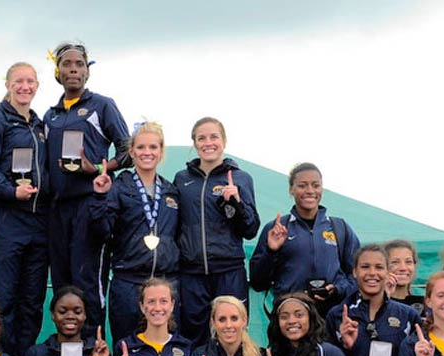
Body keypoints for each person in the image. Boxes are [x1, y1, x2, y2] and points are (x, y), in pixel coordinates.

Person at [42, 41, 132, 335]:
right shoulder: (49, 115)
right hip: (56, 209)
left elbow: (128, 150)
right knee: (63, 288)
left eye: (79, 64)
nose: (73, 70)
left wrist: (98, 168)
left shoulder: (101, 105)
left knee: (88, 285)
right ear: (58, 71)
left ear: (87, 71)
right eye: (67, 64)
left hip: (89, 205)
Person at [0, 62, 51, 356]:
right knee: (4, 300)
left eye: (31, 81)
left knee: (32, 301)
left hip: (40, 223)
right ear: (7, 84)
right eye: (19, 81)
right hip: (6, 221)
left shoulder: (41, 123)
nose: (25, 87)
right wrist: (11, 191)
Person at [90, 121, 181, 337]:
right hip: (128, 282)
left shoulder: (172, 190)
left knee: (165, 350)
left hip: (165, 283)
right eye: (140, 147)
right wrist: (99, 197)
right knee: (126, 350)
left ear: (161, 151)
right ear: (131, 151)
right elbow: (100, 232)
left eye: (153, 147)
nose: (146, 153)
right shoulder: (119, 186)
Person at [174, 117, 261, 343]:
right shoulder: (182, 179)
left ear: (224, 141)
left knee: (231, 336)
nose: (208, 142)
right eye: (201, 138)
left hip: (229, 272)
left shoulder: (241, 178)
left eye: (214, 137)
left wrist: (237, 203)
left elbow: (250, 229)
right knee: (193, 338)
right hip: (192, 274)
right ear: (194, 143)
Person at [249, 162, 360, 315]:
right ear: (291, 190)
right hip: (290, 318)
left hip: (331, 318)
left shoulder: (340, 228)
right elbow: (257, 282)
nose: (310, 191)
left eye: (316, 185)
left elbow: (358, 275)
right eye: (302, 185)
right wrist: (271, 251)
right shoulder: (276, 228)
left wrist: (338, 290)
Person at [384, 240, 425, 309]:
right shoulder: (373, 305)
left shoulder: (422, 304)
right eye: (395, 262)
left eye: (408, 262)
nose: (403, 268)